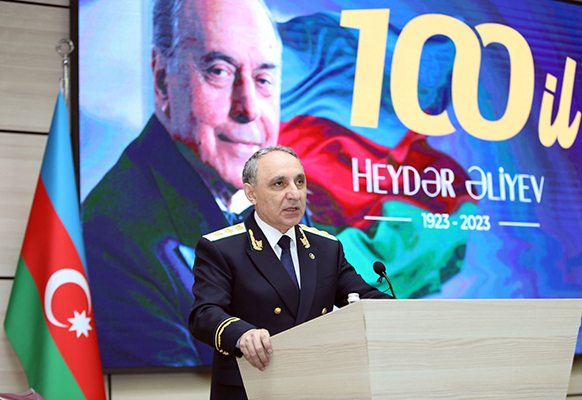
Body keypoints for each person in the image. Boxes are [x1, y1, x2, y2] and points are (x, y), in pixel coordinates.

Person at [81, 0, 307, 368]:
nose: (249, 107)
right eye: (219, 71)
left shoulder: (284, 205)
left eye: (263, 79)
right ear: (162, 81)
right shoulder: (114, 239)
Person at [189, 146, 391, 399]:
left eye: (300, 182)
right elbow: (204, 313)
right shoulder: (221, 248)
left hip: (316, 387)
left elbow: (366, 300)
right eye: (279, 184)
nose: (294, 194)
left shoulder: (326, 248)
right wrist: (241, 335)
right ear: (251, 193)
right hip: (252, 386)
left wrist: (408, 315)